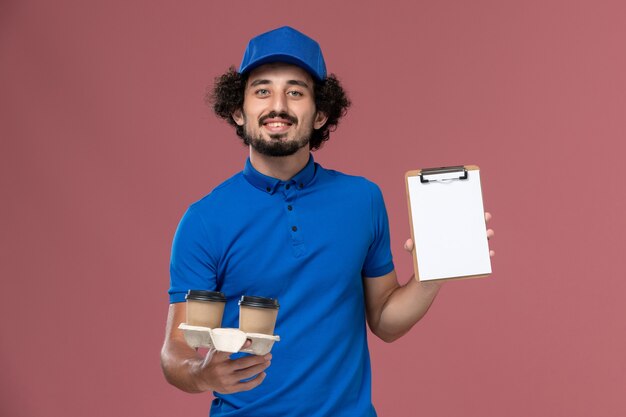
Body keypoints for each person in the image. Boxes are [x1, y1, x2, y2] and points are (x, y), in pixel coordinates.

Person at [160, 26, 495, 417]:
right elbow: (175, 352)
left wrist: (430, 276)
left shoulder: (362, 199)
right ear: (239, 110)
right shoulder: (204, 220)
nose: (279, 104)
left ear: (320, 114)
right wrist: (201, 373)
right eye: (262, 91)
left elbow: (385, 320)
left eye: (296, 92)